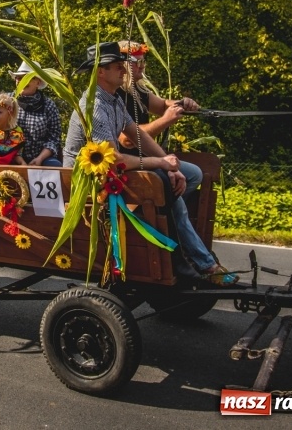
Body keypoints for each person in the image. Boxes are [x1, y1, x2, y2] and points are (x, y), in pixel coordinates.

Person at [62, 42, 237, 286]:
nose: (124, 70)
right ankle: (190, 261)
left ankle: (172, 242)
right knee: (164, 190)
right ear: (100, 72)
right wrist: (162, 164)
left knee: (168, 189)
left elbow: (138, 134)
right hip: (87, 183)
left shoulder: (113, 101)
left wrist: (169, 163)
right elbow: (115, 159)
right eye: (117, 66)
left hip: (110, 175)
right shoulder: (94, 107)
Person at [116, 40, 203, 198]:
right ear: (123, 65)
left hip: (146, 158)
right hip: (130, 164)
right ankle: (159, 210)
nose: (142, 66)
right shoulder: (117, 93)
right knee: (180, 179)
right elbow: (126, 140)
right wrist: (166, 120)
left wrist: (181, 104)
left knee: (195, 174)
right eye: (138, 62)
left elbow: (162, 105)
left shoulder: (137, 90)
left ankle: (161, 207)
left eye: (144, 61)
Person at [10, 60, 63, 167]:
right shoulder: (6, 101)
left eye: (27, 78)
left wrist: (40, 159)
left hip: (40, 158)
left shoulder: (49, 105)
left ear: (38, 82)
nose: (22, 81)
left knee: (54, 166)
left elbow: (54, 138)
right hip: (9, 155)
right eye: (19, 78)